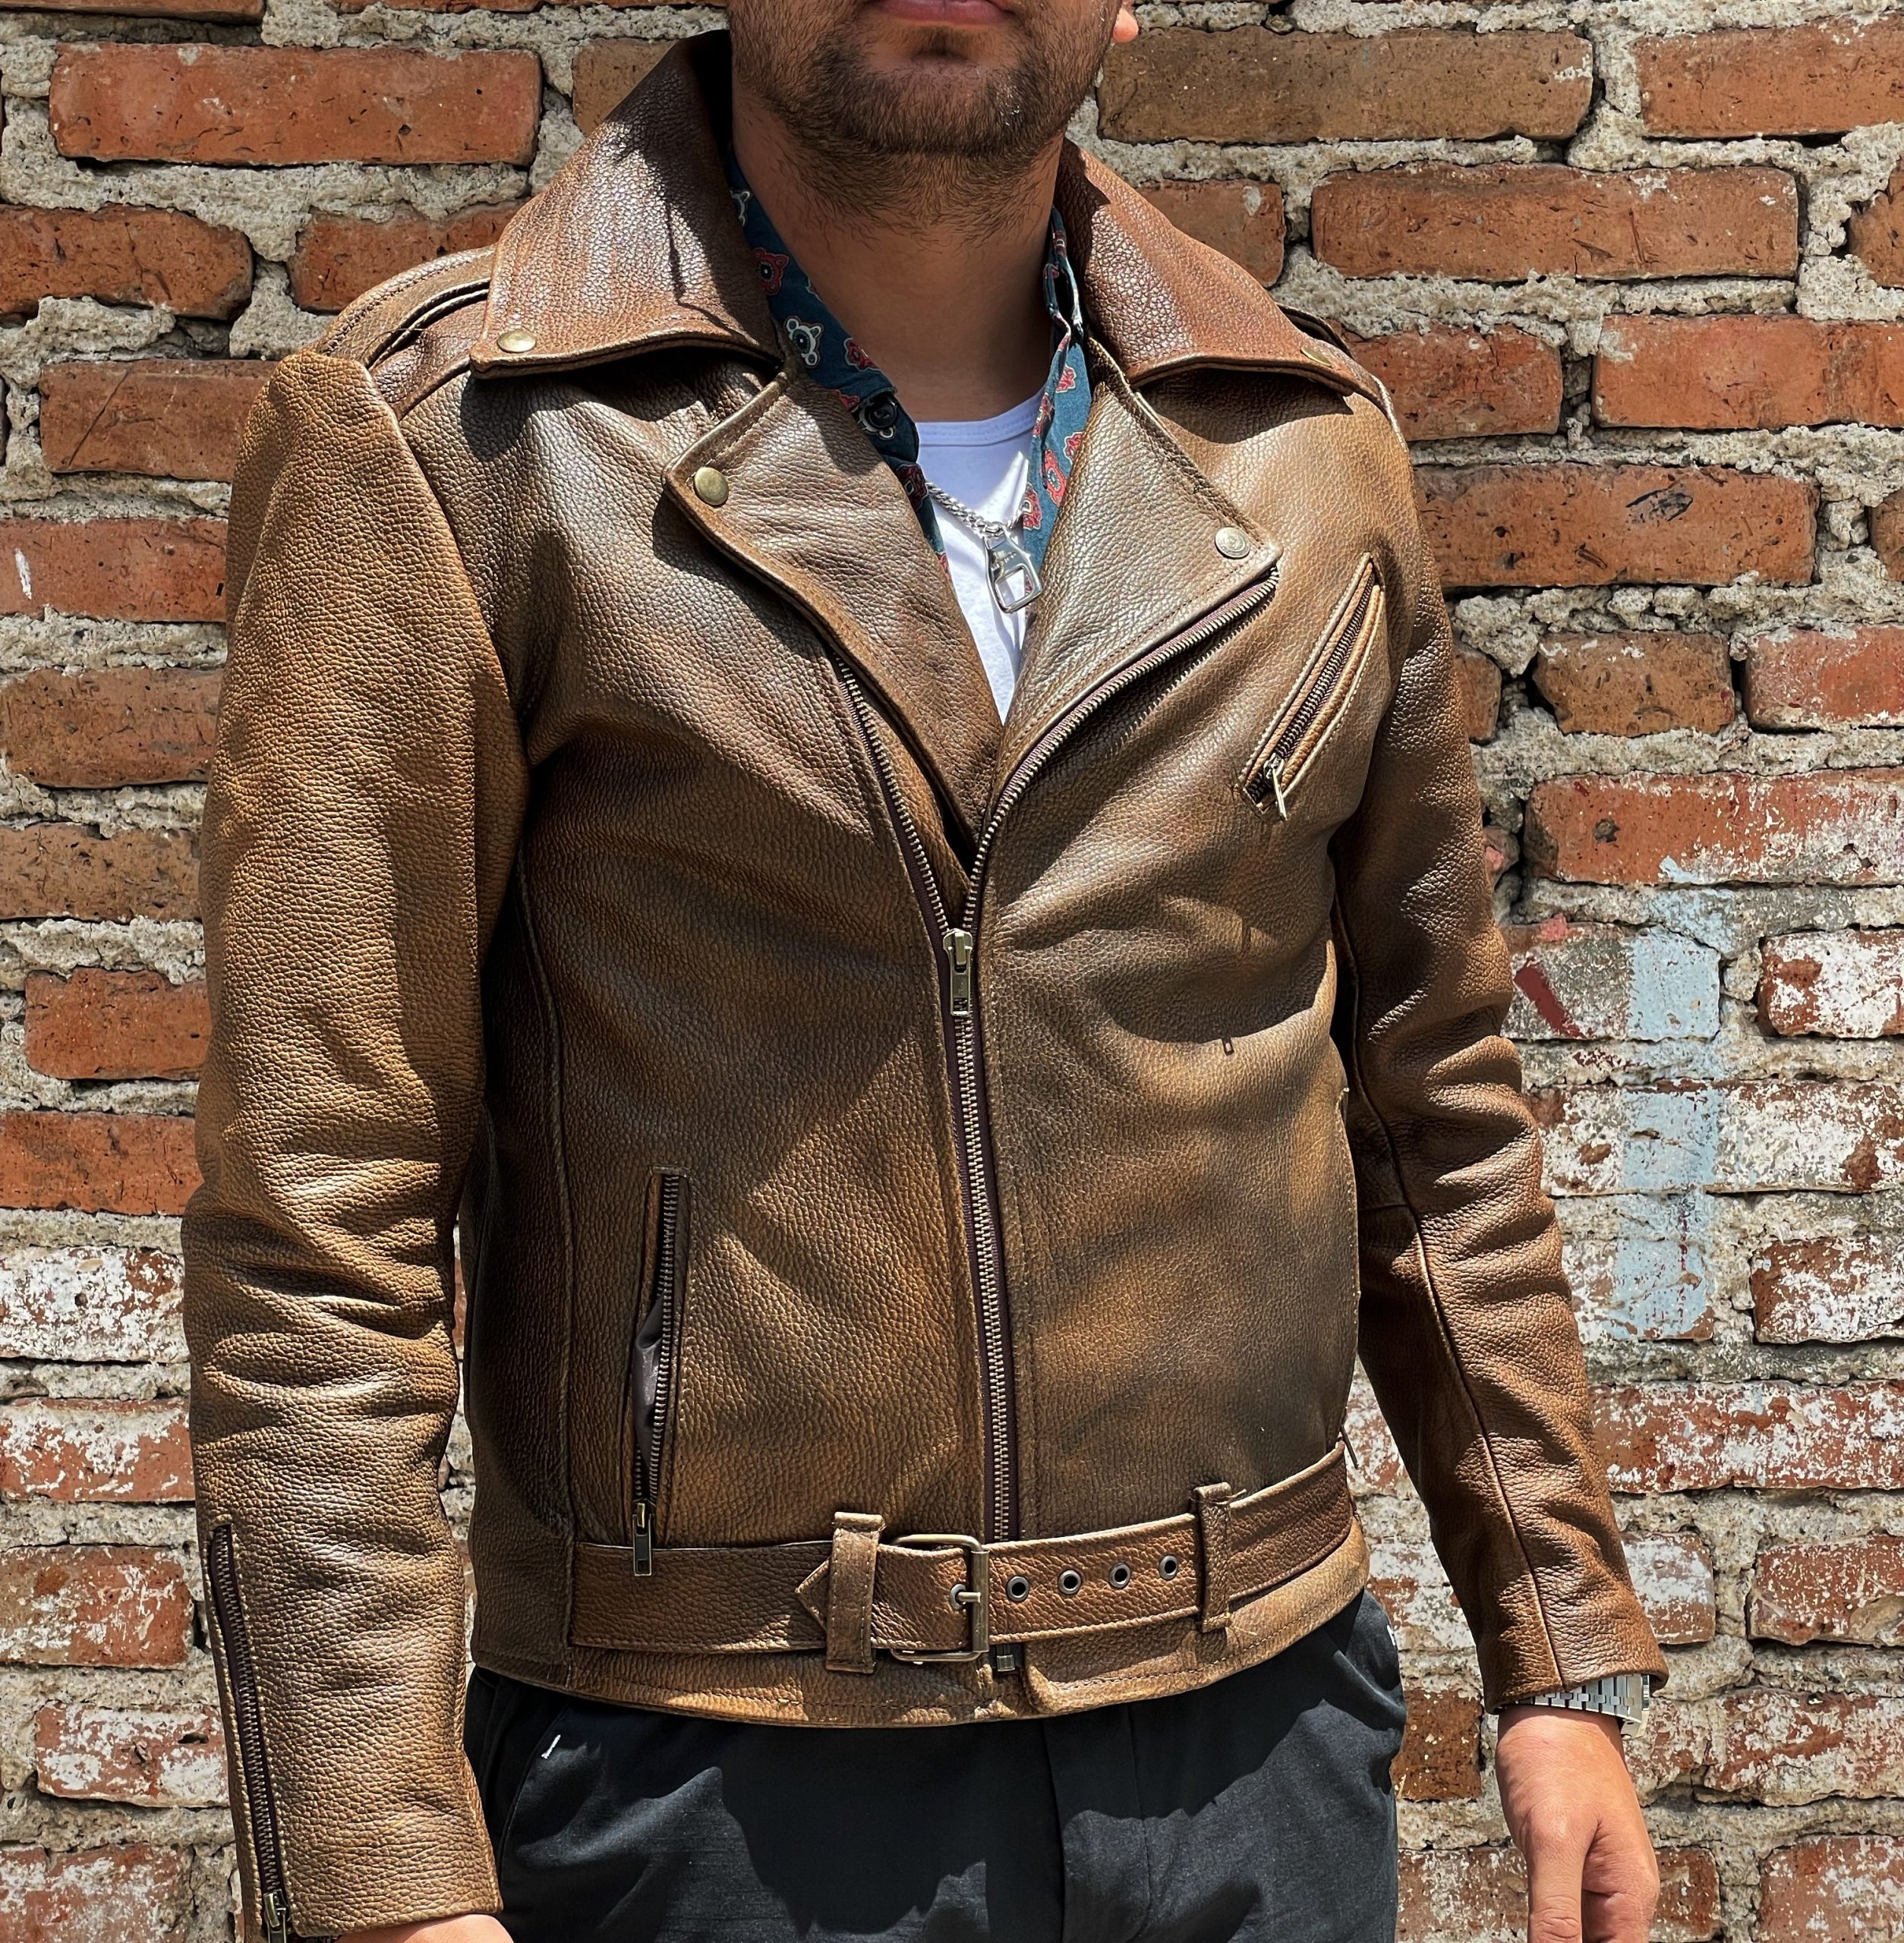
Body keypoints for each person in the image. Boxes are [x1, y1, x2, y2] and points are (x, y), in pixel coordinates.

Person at [182, 4, 1668, 1941]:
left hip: (1259, 1752)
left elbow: (1432, 1104)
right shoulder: (470, 438)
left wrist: (1558, 1646)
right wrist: (379, 1879)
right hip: (709, 1772)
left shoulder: (1303, 448)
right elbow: (316, 1219)